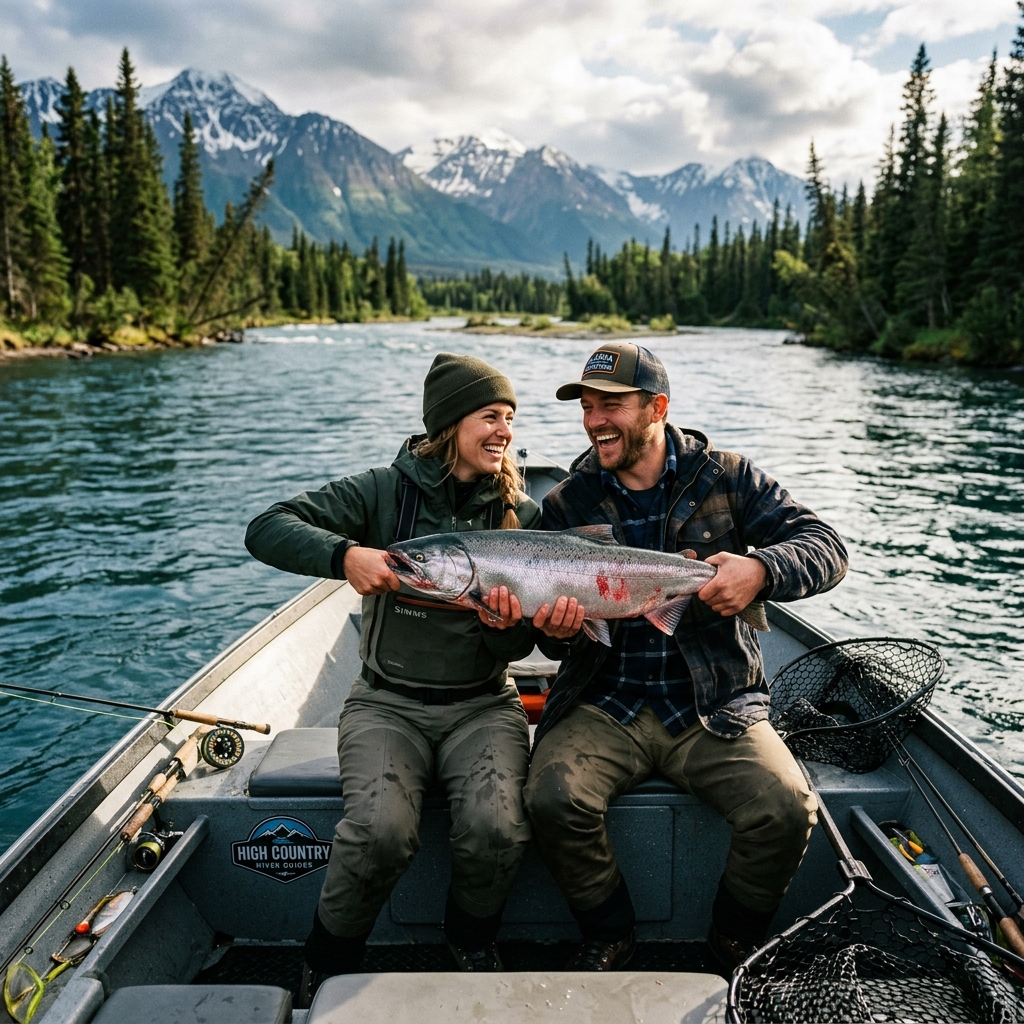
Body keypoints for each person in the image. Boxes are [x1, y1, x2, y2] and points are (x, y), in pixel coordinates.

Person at [522, 341, 849, 972]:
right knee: (551, 799)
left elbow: (827, 546)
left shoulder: (726, 477)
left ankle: (732, 941)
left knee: (785, 807)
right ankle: (609, 931)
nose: (594, 421)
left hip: (714, 701)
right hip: (604, 701)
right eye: (587, 406)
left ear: (657, 407)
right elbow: (554, 643)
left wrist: (760, 569)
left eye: (611, 405)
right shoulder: (568, 503)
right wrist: (558, 631)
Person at [245, 353, 563, 990]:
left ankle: (469, 943)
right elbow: (266, 528)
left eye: (509, 418)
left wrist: (509, 630)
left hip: (484, 705)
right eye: (489, 416)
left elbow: (529, 650)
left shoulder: (521, 519)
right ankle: (327, 959)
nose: (504, 431)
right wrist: (344, 555)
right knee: (380, 832)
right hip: (385, 705)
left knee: (498, 827)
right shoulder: (380, 491)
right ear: (448, 425)